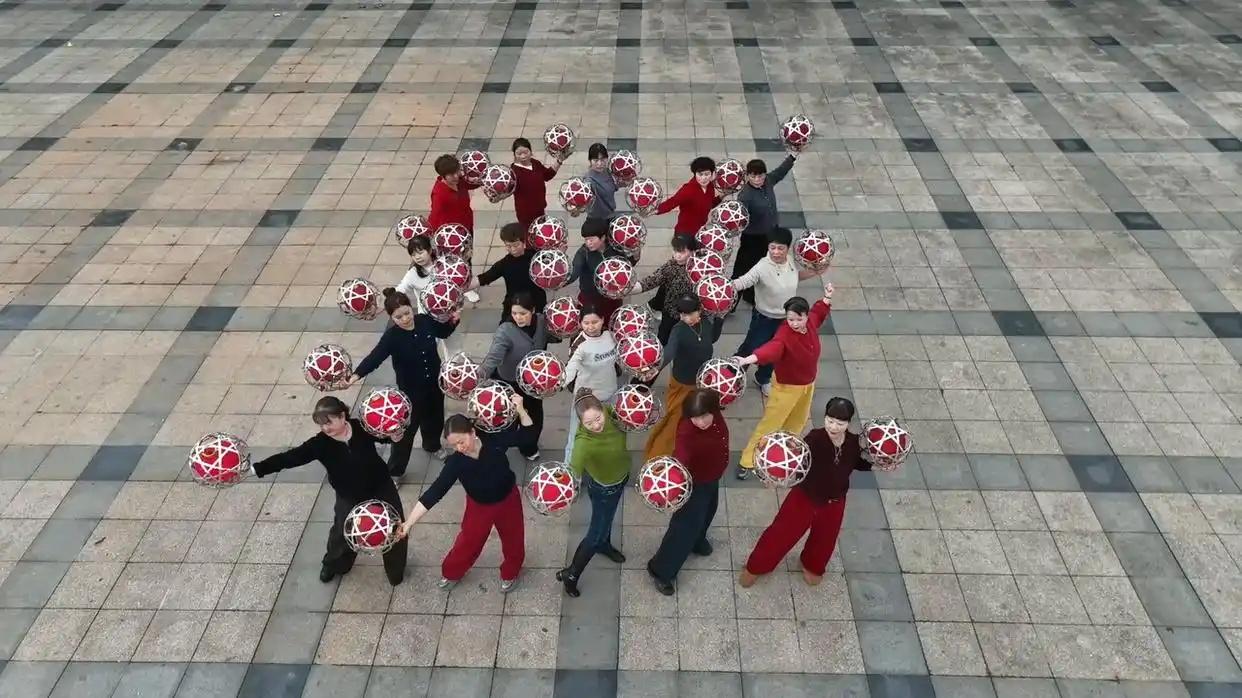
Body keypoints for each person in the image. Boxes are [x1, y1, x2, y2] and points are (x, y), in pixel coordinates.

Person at [251, 396, 408, 586]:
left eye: (328, 422)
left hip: (380, 485)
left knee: (395, 528)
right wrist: (259, 468)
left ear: (342, 416)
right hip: (348, 494)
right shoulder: (320, 443)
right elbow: (289, 458)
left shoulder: (360, 426)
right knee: (342, 532)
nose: (325, 428)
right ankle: (334, 565)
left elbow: (382, 434)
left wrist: (394, 436)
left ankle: (395, 571)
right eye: (321, 424)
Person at [396, 403, 535, 593]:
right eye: (454, 445)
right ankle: (452, 572)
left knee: (514, 538)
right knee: (469, 541)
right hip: (479, 506)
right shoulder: (456, 463)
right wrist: (409, 523)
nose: (459, 448)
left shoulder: (494, 439)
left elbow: (527, 436)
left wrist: (520, 409)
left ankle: (511, 572)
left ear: (473, 432)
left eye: (461, 441)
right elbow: (435, 492)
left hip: (508, 499)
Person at [740, 398, 871, 588]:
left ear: (848, 423)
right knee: (781, 533)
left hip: (835, 501)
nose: (833, 427)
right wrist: (775, 476)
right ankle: (756, 566)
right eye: (830, 421)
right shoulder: (814, 438)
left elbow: (857, 463)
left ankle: (812, 565)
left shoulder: (853, 442)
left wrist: (877, 463)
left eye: (840, 423)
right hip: (805, 497)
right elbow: (795, 462)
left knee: (826, 537)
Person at [348, 289, 458, 473]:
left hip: (435, 385)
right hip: (410, 392)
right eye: (398, 317)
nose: (405, 319)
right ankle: (396, 471)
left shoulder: (424, 321)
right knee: (404, 433)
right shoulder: (392, 337)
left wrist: (453, 320)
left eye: (407, 313)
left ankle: (432, 445)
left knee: (435, 418)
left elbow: (443, 332)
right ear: (391, 317)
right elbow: (375, 357)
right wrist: (356, 375)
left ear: (411, 307)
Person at [736, 282, 834, 479]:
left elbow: (819, 311)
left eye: (799, 319)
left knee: (798, 421)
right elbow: (771, 349)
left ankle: (783, 453)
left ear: (805, 316)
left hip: (807, 385)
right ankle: (748, 460)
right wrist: (748, 359)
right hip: (786, 388)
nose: (794, 323)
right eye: (790, 319)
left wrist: (827, 297)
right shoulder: (784, 335)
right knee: (771, 424)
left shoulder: (811, 323)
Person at [646, 390, 729, 595]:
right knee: (683, 528)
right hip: (694, 484)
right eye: (695, 417)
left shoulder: (716, 416)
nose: (700, 422)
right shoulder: (687, 432)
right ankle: (660, 570)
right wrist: (672, 480)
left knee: (708, 512)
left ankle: (697, 541)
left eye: (704, 415)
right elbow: (680, 457)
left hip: (711, 478)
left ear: (714, 409)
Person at [732, 227, 825, 399]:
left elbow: (795, 277)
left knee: (777, 351)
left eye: (780, 248)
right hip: (764, 319)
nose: (776, 252)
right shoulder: (762, 267)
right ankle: (731, 376)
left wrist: (814, 272)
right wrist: (726, 287)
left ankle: (763, 378)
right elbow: (743, 281)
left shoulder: (790, 261)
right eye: (772, 247)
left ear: (788, 248)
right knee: (751, 347)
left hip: (786, 319)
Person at [557, 389, 630, 597]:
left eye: (598, 418)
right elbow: (572, 472)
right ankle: (571, 574)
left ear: (603, 409)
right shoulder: (583, 443)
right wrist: (561, 485)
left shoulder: (612, 413)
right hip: (604, 489)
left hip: (621, 477)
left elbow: (632, 413)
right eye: (589, 423)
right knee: (594, 535)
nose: (596, 425)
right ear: (581, 422)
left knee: (607, 520)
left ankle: (604, 545)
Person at [642, 295, 718, 460]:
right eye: (682, 314)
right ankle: (657, 457)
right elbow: (669, 351)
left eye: (689, 314)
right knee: (674, 421)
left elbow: (713, 337)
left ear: (699, 311)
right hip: (683, 382)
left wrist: (720, 317)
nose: (685, 318)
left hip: (702, 381)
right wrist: (657, 368)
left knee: (697, 418)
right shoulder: (678, 329)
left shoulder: (706, 323)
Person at [480, 291, 549, 461]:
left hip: (533, 382)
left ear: (533, 310)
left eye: (523, 313)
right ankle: (498, 450)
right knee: (508, 420)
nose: (518, 317)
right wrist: (477, 377)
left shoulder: (542, 321)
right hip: (510, 382)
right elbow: (493, 357)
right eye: (514, 313)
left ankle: (529, 447)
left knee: (535, 417)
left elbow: (552, 336)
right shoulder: (505, 331)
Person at [648, 157, 721, 313]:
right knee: (674, 271)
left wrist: (721, 197)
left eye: (707, 174)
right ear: (694, 174)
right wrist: (654, 210)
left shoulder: (710, 187)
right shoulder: (688, 190)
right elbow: (672, 202)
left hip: (698, 235)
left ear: (712, 174)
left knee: (690, 270)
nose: (704, 178)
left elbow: (708, 204)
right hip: (683, 235)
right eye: (700, 174)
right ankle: (655, 304)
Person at [732, 154, 797, 306]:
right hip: (752, 237)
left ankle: (751, 295)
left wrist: (792, 157)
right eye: (753, 176)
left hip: (769, 234)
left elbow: (780, 172)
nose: (757, 179)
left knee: (763, 265)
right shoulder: (745, 196)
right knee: (743, 268)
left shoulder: (768, 181)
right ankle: (729, 302)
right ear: (748, 176)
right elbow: (739, 218)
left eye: (760, 175)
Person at [562, 303, 618, 461]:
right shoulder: (579, 343)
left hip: (609, 392)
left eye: (595, 322)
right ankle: (569, 470)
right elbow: (571, 368)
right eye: (586, 323)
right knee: (575, 436)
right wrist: (558, 383)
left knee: (608, 431)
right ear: (580, 323)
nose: (591, 327)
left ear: (603, 320)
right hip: (585, 399)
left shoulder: (611, 336)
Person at [467, 222, 547, 322]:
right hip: (514, 304)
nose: (513, 249)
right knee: (505, 329)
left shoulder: (537, 257)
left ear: (524, 242)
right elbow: (482, 279)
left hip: (536, 301)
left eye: (516, 245)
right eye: (508, 246)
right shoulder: (504, 264)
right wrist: (459, 288)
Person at [625, 235, 699, 345]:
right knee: (663, 338)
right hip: (671, 312)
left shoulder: (700, 269)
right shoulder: (671, 265)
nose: (677, 255)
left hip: (691, 315)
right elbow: (651, 280)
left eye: (682, 252)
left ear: (693, 252)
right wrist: (628, 289)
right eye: (675, 250)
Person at [566, 218, 624, 323]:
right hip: (590, 299)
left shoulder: (615, 249)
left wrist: (635, 252)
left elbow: (628, 264)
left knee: (611, 325)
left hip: (612, 298)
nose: (588, 243)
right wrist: (561, 281)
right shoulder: (583, 252)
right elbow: (574, 273)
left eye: (591, 239)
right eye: (586, 240)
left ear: (603, 237)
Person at [510, 137, 562, 233]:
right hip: (525, 214)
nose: (523, 156)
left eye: (525, 152)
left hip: (540, 209)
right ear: (514, 155)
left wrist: (559, 161)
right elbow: (507, 190)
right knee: (530, 237)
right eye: (519, 153)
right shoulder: (513, 172)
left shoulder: (535, 163)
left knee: (542, 235)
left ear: (530, 151)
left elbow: (547, 175)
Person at [428, 154, 480, 233]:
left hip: (466, 225)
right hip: (453, 233)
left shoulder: (459, 181)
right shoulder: (439, 195)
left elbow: (471, 184)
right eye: (451, 174)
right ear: (443, 176)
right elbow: (436, 218)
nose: (456, 176)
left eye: (457, 171)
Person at [395, 236, 436, 314]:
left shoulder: (443, 265)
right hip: (426, 314)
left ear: (430, 250)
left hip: (447, 312)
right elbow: (400, 289)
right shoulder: (413, 273)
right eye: (413, 255)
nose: (417, 257)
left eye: (420, 253)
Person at [582, 143, 618, 230]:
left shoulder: (608, 172)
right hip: (595, 221)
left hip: (611, 217)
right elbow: (583, 200)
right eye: (596, 160)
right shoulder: (588, 180)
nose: (599, 163)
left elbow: (617, 185)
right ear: (590, 161)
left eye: (603, 160)